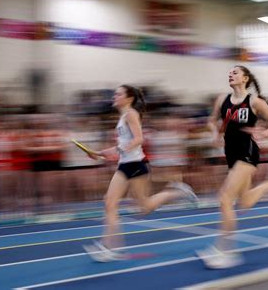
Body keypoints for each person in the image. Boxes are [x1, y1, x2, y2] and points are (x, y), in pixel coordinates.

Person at [83, 85, 197, 262]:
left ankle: (178, 192)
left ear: (129, 99)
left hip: (136, 165)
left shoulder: (131, 114)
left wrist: (120, 150)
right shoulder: (122, 117)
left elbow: (139, 139)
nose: (114, 96)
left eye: (118, 93)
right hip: (124, 165)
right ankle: (111, 247)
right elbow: (123, 144)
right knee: (109, 203)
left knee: (144, 207)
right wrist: (98, 153)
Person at [197, 66, 268, 269]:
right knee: (245, 202)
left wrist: (265, 134)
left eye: (235, 72)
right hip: (230, 154)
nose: (230, 74)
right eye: (229, 72)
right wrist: (214, 132)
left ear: (245, 78)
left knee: (224, 198)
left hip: (247, 153)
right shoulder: (221, 99)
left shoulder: (253, 101)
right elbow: (211, 120)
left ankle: (225, 251)